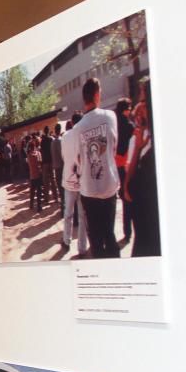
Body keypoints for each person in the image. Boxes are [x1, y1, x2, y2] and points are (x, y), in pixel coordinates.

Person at [73, 77, 120, 258]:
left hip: (88, 190)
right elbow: (113, 148)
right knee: (109, 233)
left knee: (96, 241)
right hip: (108, 186)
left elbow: (78, 159)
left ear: (84, 99)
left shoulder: (77, 128)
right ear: (97, 95)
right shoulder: (110, 116)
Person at [123, 80, 161, 257]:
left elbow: (128, 190)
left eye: (143, 103)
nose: (139, 109)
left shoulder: (150, 153)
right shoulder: (142, 141)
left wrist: (138, 149)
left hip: (148, 245)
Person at [60, 112, 88, 256]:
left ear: (71, 121)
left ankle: (66, 240)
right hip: (82, 183)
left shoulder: (64, 136)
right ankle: (82, 248)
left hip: (68, 181)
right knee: (83, 217)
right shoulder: (85, 135)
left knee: (68, 214)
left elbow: (64, 157)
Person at [114, 97, 135, 243]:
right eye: (129, 108)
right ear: (125, 110)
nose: (130, 111)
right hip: (126, 166)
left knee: (121, 196)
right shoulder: (129, 126)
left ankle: (126, 231)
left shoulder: (113, 124)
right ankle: (128, 232)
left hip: (114, 165)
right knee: (128, 199)